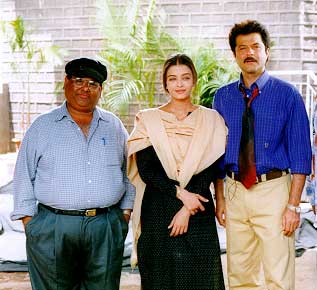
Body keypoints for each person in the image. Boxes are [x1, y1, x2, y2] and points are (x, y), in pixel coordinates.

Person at [10, 57, 135, 290]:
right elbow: (23, 175)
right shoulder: (43, 126)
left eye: (92, 83)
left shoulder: (114, 125)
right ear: (66, 82)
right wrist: (31, 225)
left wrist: (124, 213)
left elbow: (129, 171)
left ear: (101, 89)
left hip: (104, 225)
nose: (85, 89)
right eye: (78, 81)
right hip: (53, 226)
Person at [213, 20, 312, 290]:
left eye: (256, 46)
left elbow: (302, 155)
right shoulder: (222, 98)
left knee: (278, 274)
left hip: (274, 191)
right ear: (234, 55)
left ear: (267, 51)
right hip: (234, 190)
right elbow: (217, 156)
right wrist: (220, 198)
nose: (249, 52)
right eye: (242, 48)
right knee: (240, 273)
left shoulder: (288, 95)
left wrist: (293, 205)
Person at [127, 53, 227, 290]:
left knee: (201, 279)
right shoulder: (149, 120)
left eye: (185, 78)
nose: (179, 84)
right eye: (173, 79)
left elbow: (212, 167)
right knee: (160, 278)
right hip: (158, 208)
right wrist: (181, 195)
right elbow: (147, 169)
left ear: (194, 81)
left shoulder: (211, 119)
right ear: (165, 84)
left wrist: (188, 208)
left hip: (199, 207)